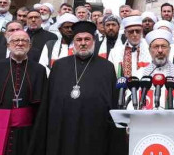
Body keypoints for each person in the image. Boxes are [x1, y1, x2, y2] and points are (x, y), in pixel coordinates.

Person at [30, 21, 126, 155]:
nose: (83, 43)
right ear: (73, 42)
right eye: (78, 39)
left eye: (87, 39)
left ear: (93, 41)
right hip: (62, 129)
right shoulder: (59, 66)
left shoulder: (107, 67)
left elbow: (113, 102)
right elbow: (49, 101)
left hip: (93, 132)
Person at [0, 30, 46, 155]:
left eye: (24, 41)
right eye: (15, 40)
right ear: (8, 45)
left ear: (29, 46)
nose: (20, 43)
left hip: (25, 132)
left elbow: (41, 108)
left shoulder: (39, 70)